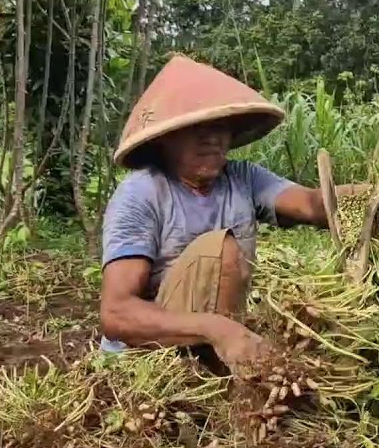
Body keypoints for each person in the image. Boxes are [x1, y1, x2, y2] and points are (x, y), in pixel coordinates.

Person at [98, 55, 364, 376]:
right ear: (166, 137)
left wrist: (363, 197)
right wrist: (218, 329)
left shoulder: (243, 178)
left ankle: (220, 368)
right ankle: (213, 372)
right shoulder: (142, 194)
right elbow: (116, 313)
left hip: (216, 339)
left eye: (219, 126)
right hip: (148, 362)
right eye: (194, 128)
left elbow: (310, 203)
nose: (210, 138)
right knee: (222, 248)